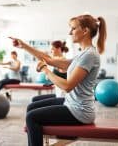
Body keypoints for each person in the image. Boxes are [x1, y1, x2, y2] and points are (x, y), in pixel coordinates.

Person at [10, 14, 107, 146]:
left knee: (31, 117)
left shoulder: (89, 55)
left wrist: (45, 70)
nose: (70, 32)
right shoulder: (83, 54)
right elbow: (49, 59)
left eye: (73, 28)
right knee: (31, 107)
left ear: (85, 31)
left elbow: (67, 86)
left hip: (80, 111)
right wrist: (24, 46)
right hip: (72, 103)